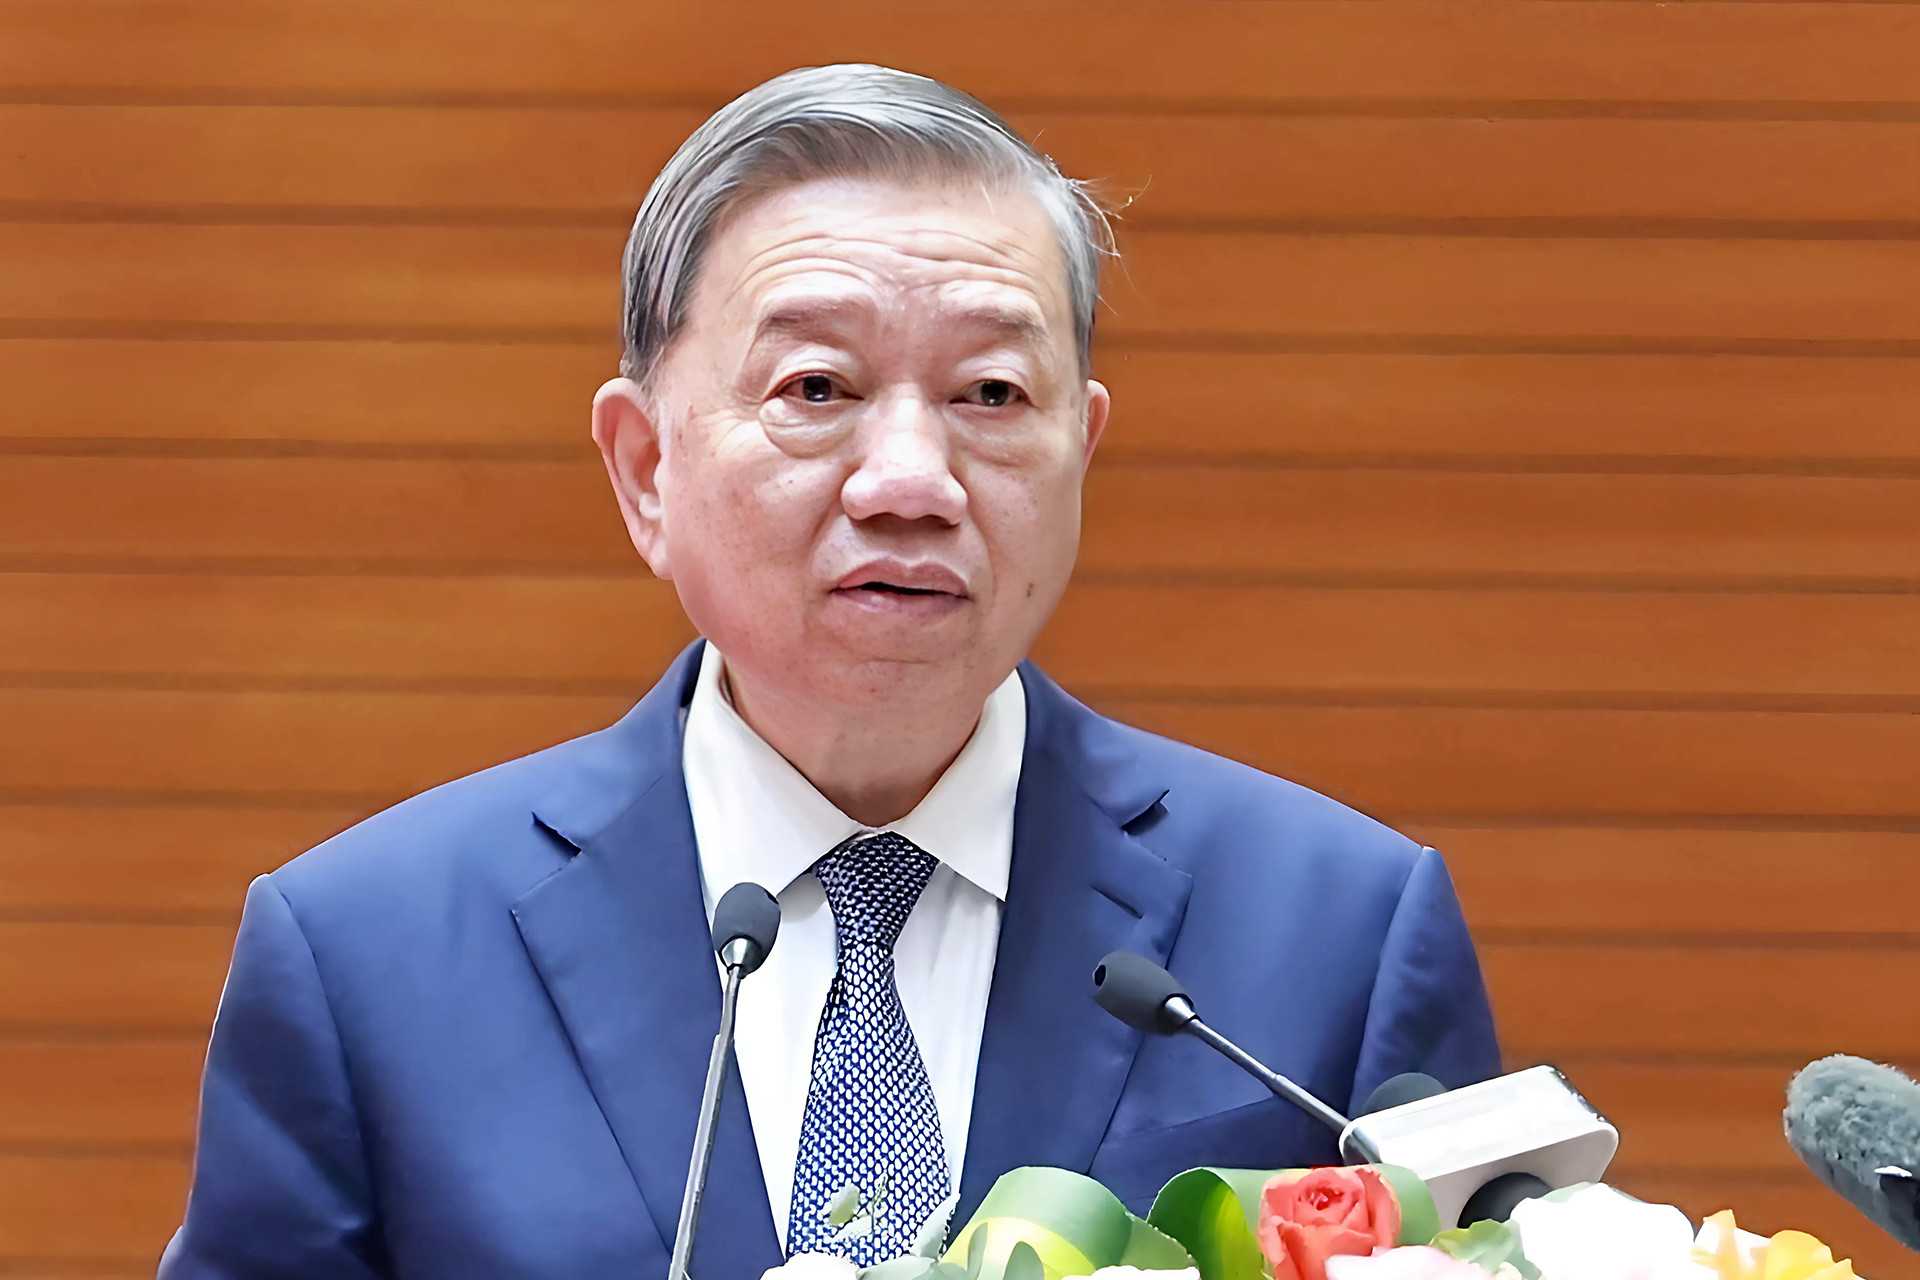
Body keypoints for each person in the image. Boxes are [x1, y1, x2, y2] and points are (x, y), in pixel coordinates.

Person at [159, 64, 1499, 1280]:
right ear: (646, 470)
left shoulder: (1343, 932)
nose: (911, 481)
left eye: (991, 395)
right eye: (816, 388)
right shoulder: (362, 957)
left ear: (1079, 452)